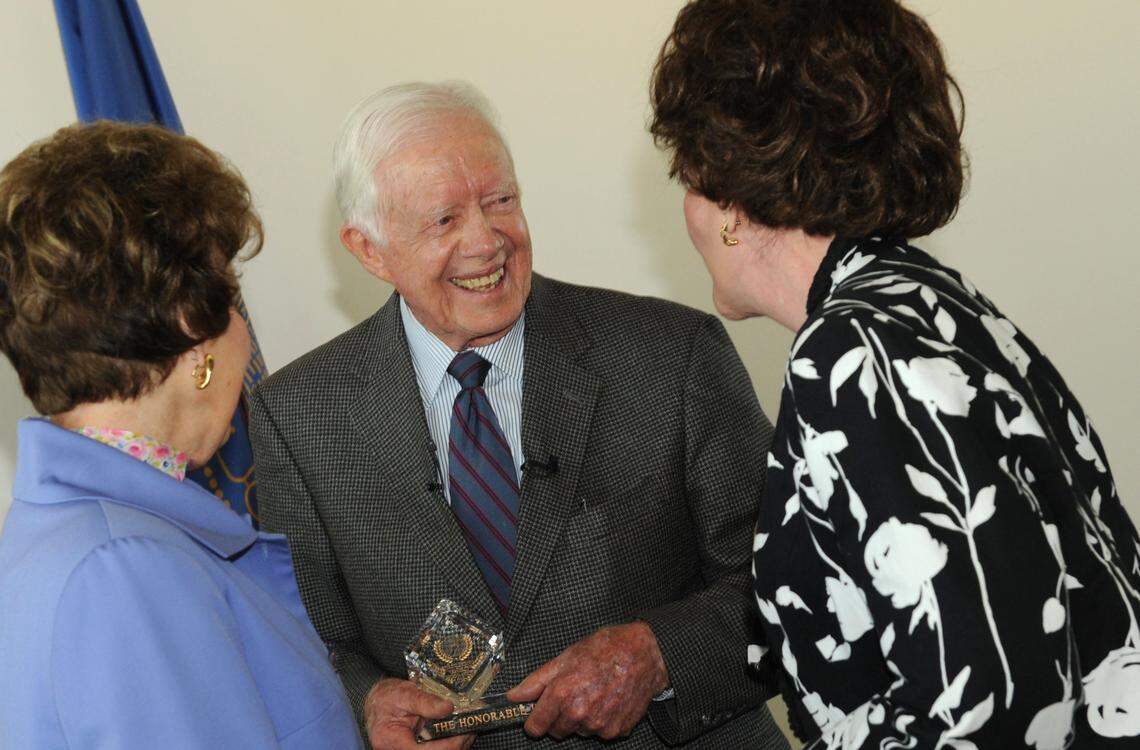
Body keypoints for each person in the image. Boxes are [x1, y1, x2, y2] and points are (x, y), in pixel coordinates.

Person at [648, 1, 1140, 748]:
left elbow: (987, 701)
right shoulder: (931, 301)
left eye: (686, 171)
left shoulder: (852, 355)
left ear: (730, 199)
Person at [248, 81, 790, 750]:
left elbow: (798, 584)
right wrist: (367, 703)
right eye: (445, 219)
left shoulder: (671, 356)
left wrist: (657, 657)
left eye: (500, 201)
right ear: (369, 249)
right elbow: (306, 641)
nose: (487, 241)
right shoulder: (298, 416)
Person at [0, 122, 361, 749]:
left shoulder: (84, 538)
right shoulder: (124, 570)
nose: (244, 336)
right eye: (234, 297)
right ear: (196, 333)